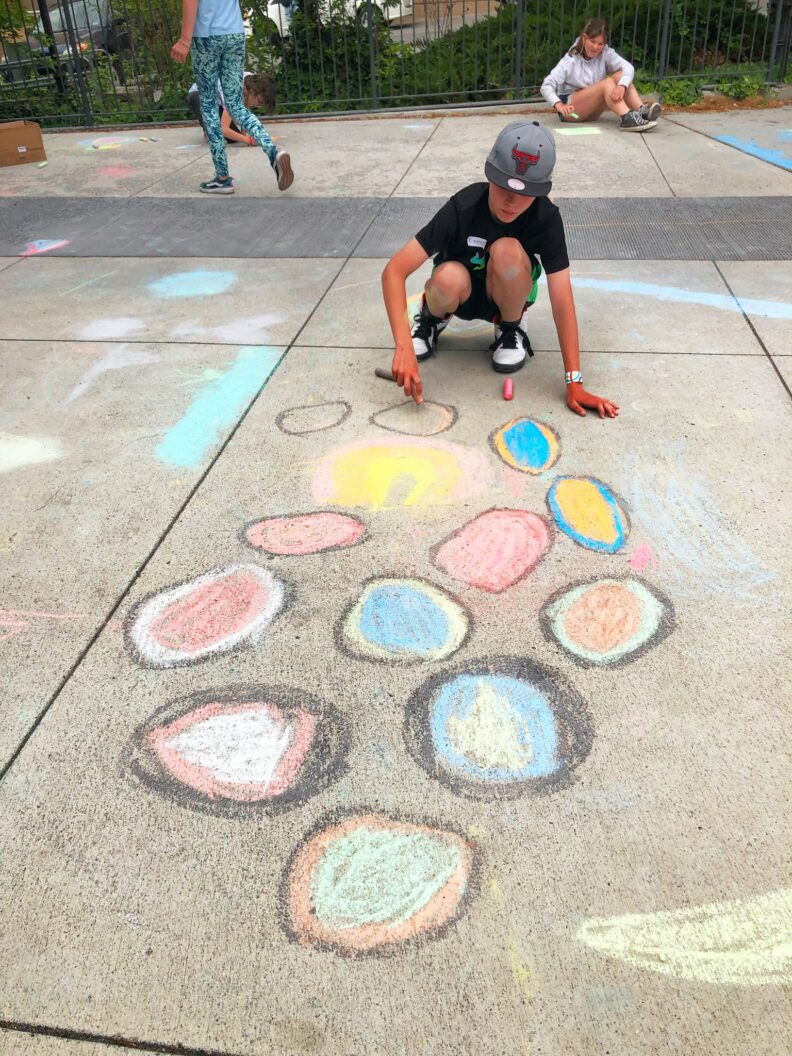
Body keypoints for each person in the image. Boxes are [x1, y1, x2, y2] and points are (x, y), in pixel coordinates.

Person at [381, 120, 619, 419]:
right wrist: (402, 346)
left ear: (541, 190)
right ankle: (432, 318)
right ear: (490, 174)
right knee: (448, 277)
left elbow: (562, 298)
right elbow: (394, 271)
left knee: (507, 250)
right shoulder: (464, 205)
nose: (511, 201)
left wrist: (575, 381)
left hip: (507, 294)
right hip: (459, 293)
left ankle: (510, 326)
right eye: (503, 186)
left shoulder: (546, 218)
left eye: (526, 192)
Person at [171, 0, 293, 194]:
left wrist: (185, 40)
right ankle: (274, 152)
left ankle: (222, 179)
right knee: (236, 104)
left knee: (209, 106)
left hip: (207, 36)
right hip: (234, 34)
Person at [541, 17, 660, 132]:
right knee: (607, 83)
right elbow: (546, 85)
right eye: (592, 41)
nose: (595, 47)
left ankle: (642, 111)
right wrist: (559, 105)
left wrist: (622, 86)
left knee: (620, 75)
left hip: (592, 111)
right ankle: (626, 118)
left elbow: (628, 68)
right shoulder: (569, 60)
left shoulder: (605, 52)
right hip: (571, 111)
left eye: (600, 44)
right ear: (584, 38)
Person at [186, 71, 276, 147]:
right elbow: (224, 129)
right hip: (197, 95)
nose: (257, 105)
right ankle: (209, 130)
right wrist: (249, 140)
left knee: (233, 139)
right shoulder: (233, 89)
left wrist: (243, 134)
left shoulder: (252, 82)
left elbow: (246, 107)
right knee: (221, 133)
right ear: (253, 91)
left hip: (217, 102)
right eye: (259, 102)